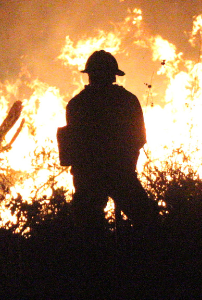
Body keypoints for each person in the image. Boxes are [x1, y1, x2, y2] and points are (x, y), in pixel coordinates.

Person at [61, 50, 157, 230]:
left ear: (89, 75)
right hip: (121, 174)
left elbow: (73, 147)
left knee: (87, 229)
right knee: (147, 220)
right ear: (114, 76)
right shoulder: (127, 100)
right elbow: (139, 139)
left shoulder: (77, 104)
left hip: (88, 178)